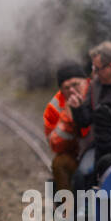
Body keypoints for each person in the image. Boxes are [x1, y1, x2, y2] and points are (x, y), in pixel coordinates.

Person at [68, 40, 111, 192]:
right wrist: (77, 108)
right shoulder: (95, 85)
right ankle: (84, 212)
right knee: (81, 174)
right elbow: (85, 121)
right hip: (101, 145)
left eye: (97, 69)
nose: (94, 73)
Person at [43, 62, 89, 194]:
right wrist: (68, 120)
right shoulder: (54, 107)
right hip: (75, 157)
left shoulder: (96, 94)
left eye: (76, 84)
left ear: (86, 82)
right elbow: (55, 146)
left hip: (97, 154)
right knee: (59, 163)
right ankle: (67, 209)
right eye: (67, 88)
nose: (72, 91)